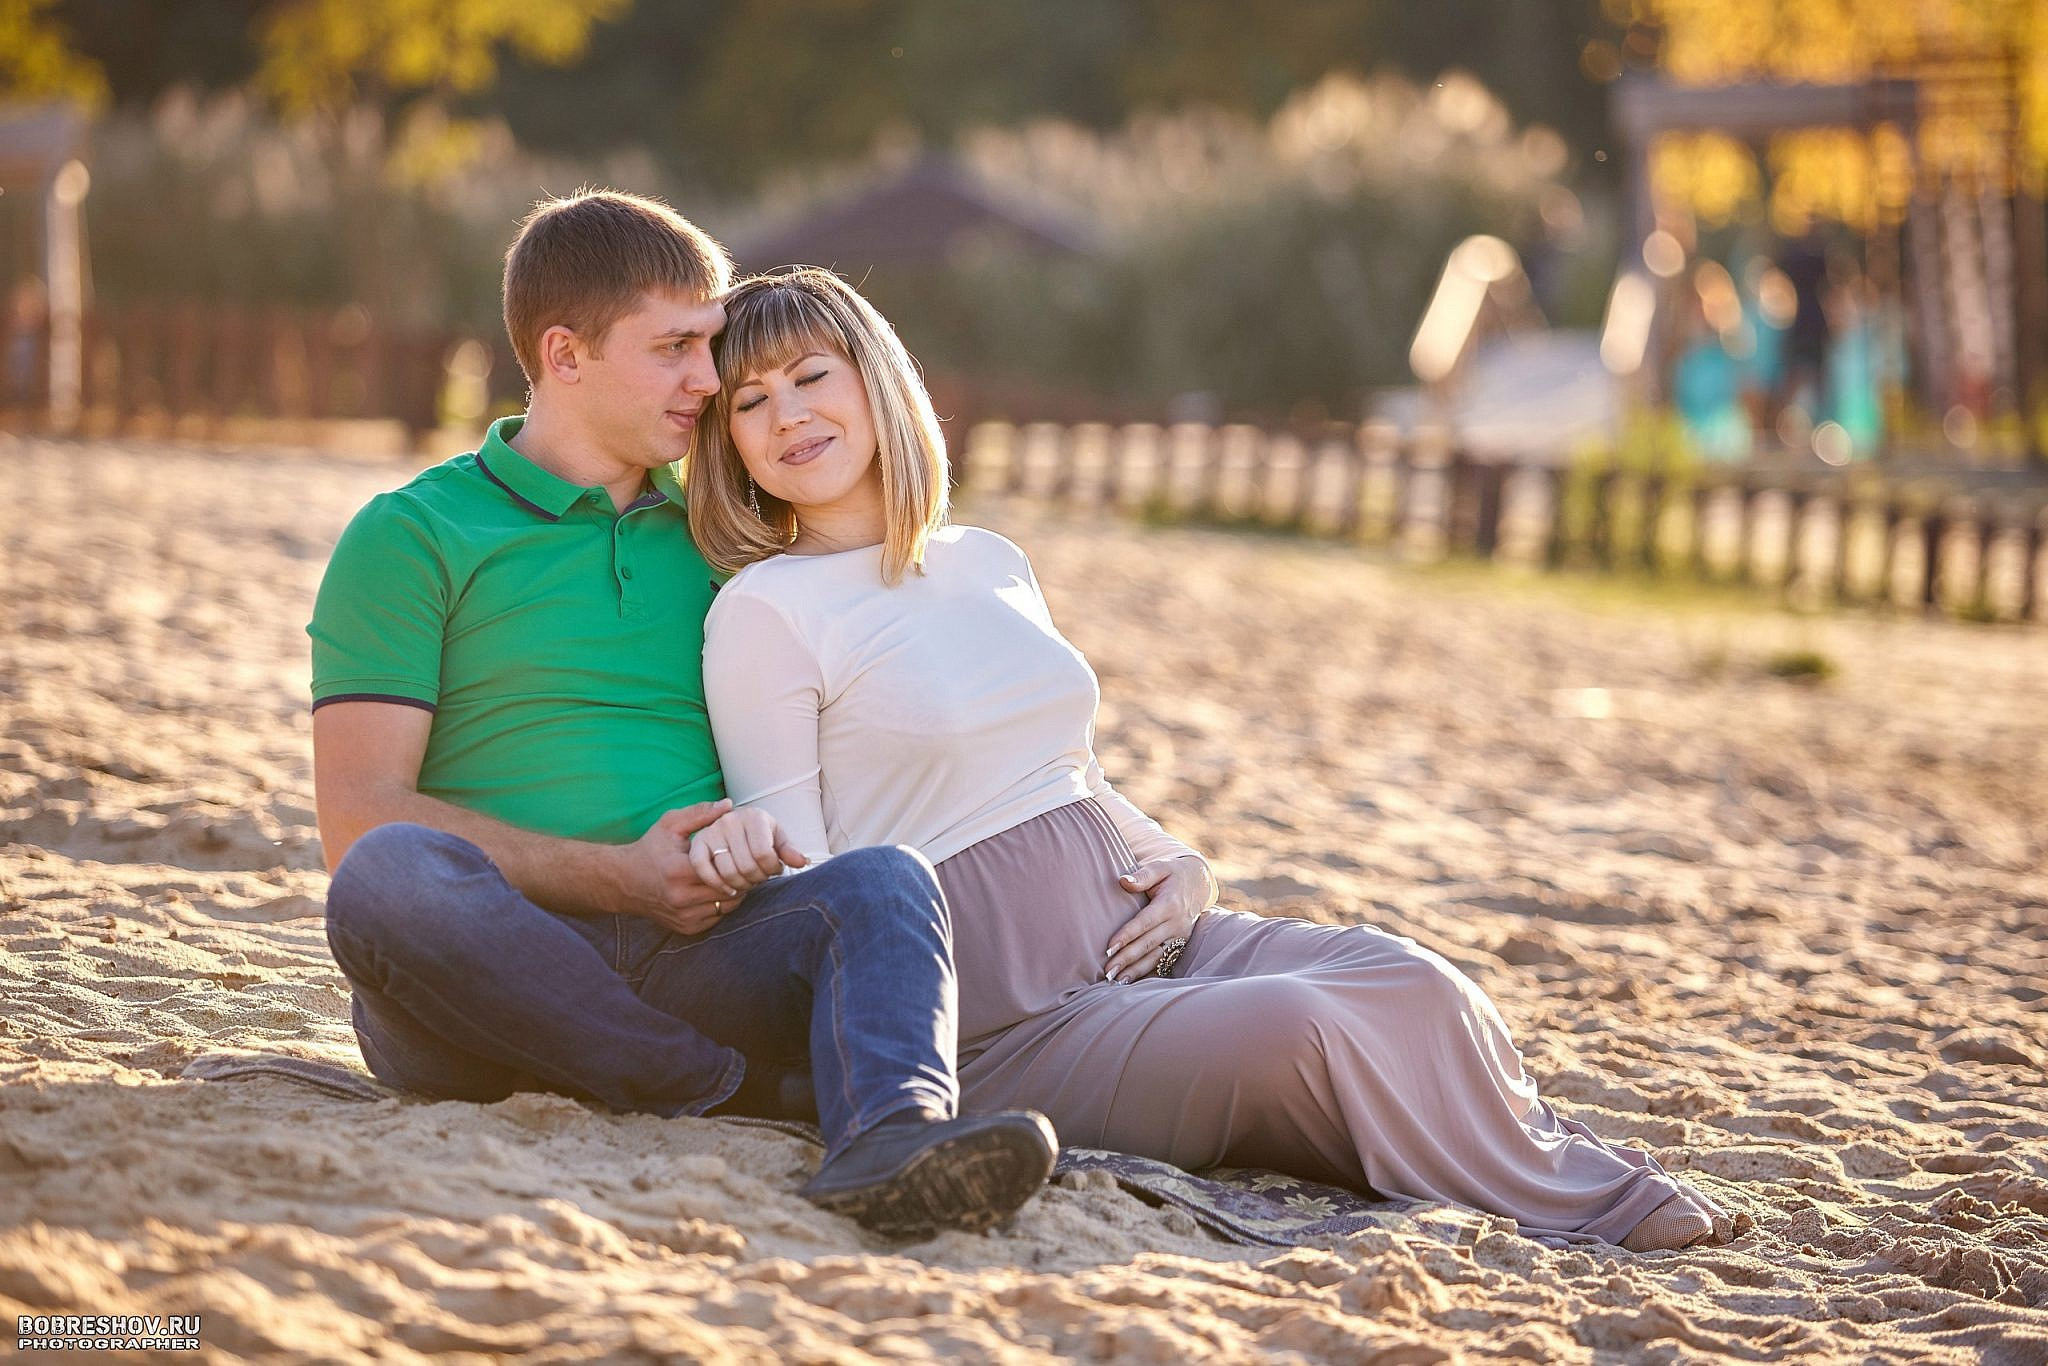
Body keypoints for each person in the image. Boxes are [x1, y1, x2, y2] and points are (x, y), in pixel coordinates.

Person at [689, 268, 1726, 1252]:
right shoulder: (766, 612)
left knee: (1417, 981)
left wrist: (1182, 869)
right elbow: (809, 883)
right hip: (999, 1013)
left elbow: (1069, 770)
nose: (786, 417)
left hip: (1141, 924)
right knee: (1299, 1027)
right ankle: (1581, 1199)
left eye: (811, 376)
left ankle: (1551, 1163)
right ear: (728, 440)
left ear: (875, 379)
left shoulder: (985, 560)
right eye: (749, 401)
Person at [307, 192, 1056, 1239]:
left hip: (697, 951)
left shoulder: (722, 532)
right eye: (674, 349)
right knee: (389, 877)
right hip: (481, 978)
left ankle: (890, 1131)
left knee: (883, 880)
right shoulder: (412, 534)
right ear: (564, 355)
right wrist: (616, 876)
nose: (709, 380)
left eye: (709, 346)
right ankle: (733, 1089)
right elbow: (357, 819)